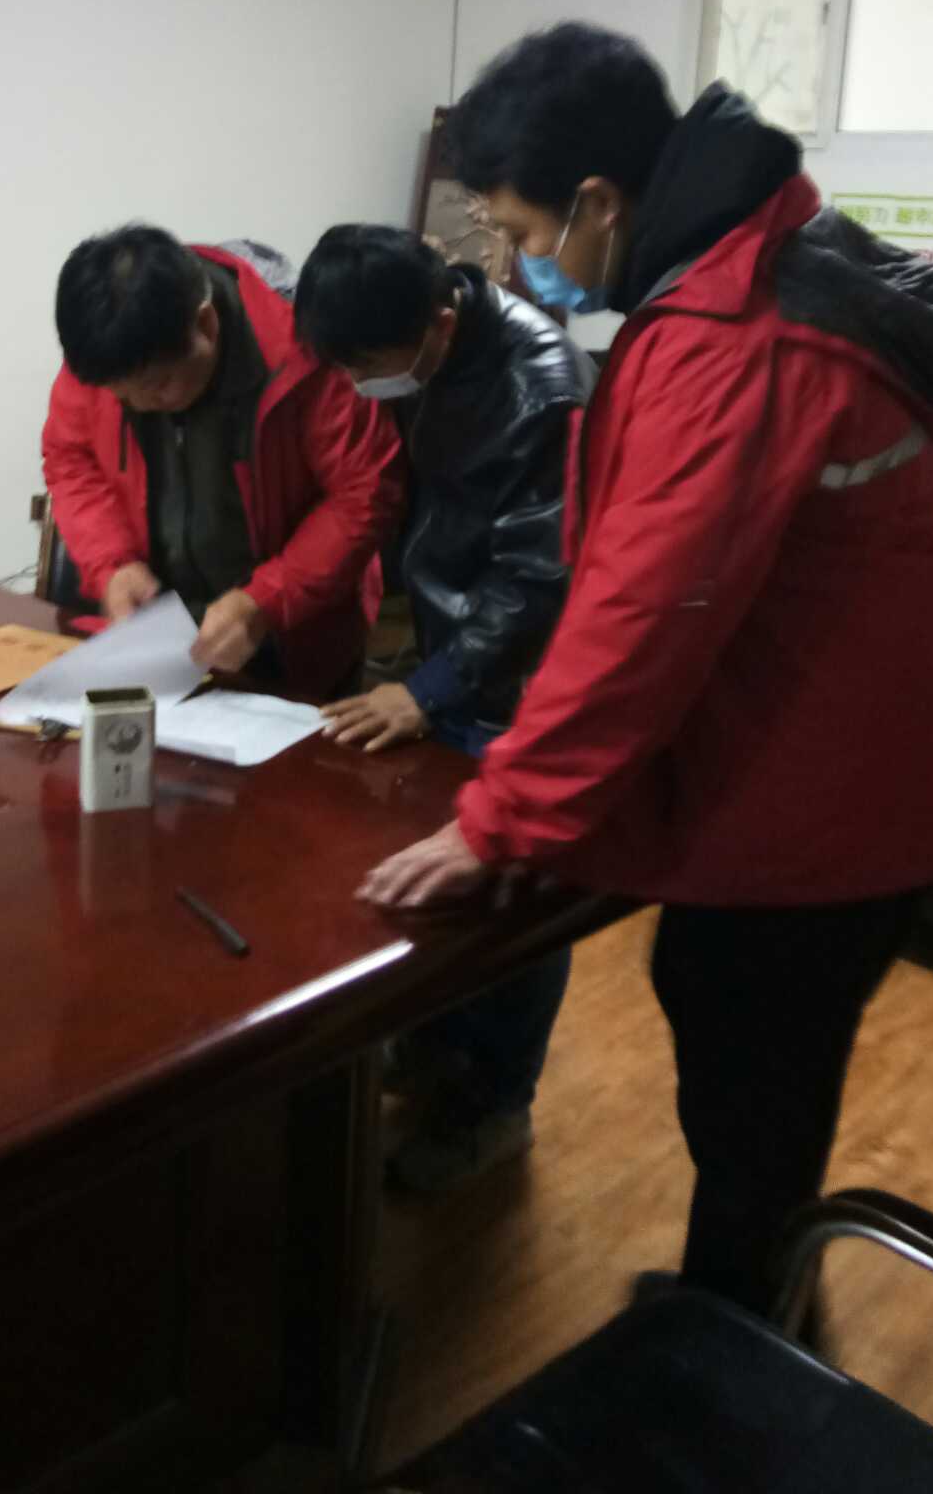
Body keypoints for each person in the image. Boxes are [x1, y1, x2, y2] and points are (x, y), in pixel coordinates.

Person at [359, 22, 933, 1315]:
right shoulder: (742, 265)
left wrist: (500, 817)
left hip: (837, 807)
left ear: (600, 201)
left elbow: (644, 612)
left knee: (752, 1095)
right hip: (841, 763)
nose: (523, 261)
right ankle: (754, 1315)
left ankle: (739, 1355)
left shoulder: (733, 339)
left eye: (528, 232)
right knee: (730, 1041)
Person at [293, 225, 595, 1190]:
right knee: (435, 871)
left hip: (522, 681)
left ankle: (497, 1104)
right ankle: (437, 1049)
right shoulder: (424, 349)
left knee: (509, 897)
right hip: (453, 651)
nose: (358, 384)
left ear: (439, 321)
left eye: (366, 365)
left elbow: (535, 580)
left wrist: (428, 691)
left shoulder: (542, 389)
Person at [42, 226, 404, 695]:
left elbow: (364, 493)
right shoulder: (108, 349)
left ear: (206, 324)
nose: (141, 405)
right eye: (122, 396)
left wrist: (265, 600)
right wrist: (112, 564)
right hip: (156, 640)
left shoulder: (307, 350)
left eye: (158, 386)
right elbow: (70, 458)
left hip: (292, 639)